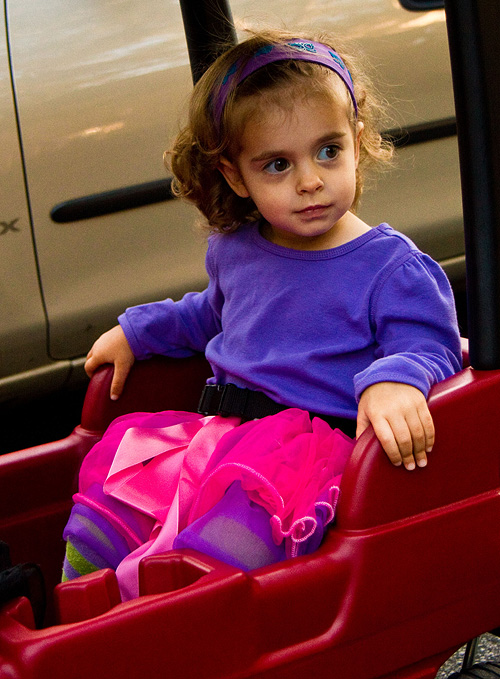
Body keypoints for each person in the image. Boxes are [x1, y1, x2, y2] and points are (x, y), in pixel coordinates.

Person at [62, 29, 462, 600]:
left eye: (329, 151)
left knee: (221, 557)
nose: (310, 180)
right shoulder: (238, 249)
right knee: (111, 499)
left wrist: (398, 378)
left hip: (304, 463)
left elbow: (430, 344)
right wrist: (138, 331)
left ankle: (181, 625)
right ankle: (83, 612)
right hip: (217, 440)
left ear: (357, 141)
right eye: (277, 164)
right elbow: (209, 315)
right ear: (236, 177)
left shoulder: (391, 268)